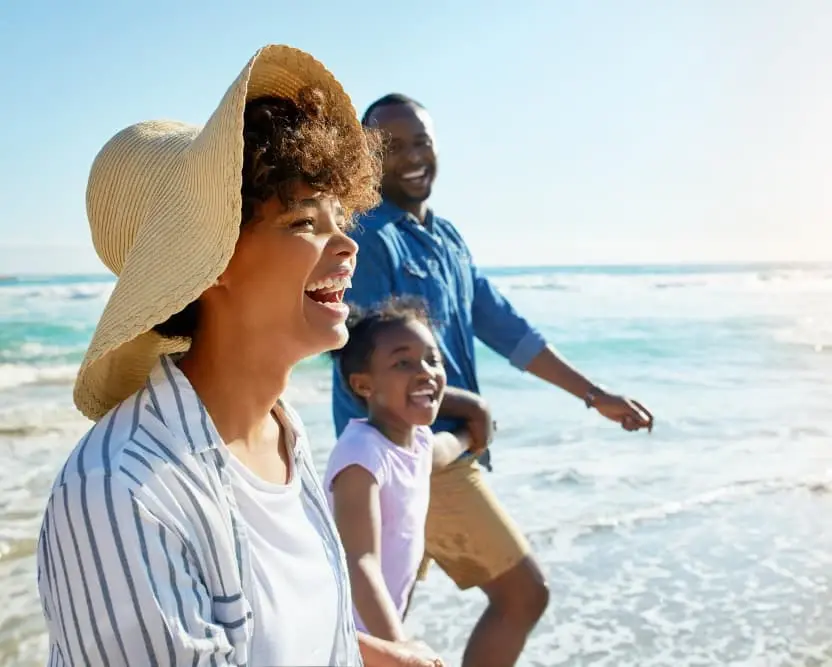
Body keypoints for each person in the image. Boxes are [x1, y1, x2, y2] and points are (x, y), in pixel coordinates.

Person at [35, 48, 443, 667]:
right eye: (305, 221)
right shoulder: (121, 492)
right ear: (211, 262)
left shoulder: (282, 434)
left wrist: (377, 655)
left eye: (341, 216)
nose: (346, 244)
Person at [331, 93, 655, 667]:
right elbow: (372, 363)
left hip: (440, 449)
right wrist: (471, 407)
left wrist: (592, 394)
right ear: (367, 159)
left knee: (384, 616)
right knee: (522, 593)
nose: (412, 156)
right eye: (392, 146)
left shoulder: (449, 238)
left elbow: (504, 326)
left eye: (422, 141)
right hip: (409, 455)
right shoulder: (370, 238)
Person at [324, 297, 475, 645]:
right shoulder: (361, 455)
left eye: (432, 359)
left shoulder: (416, 440)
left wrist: (469, 436)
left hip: (378, 624)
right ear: (364, 385)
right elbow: (360, 562)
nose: (426, 370)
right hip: (349, 636)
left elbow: (439, 453)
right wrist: (399, 648)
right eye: (403, 362)